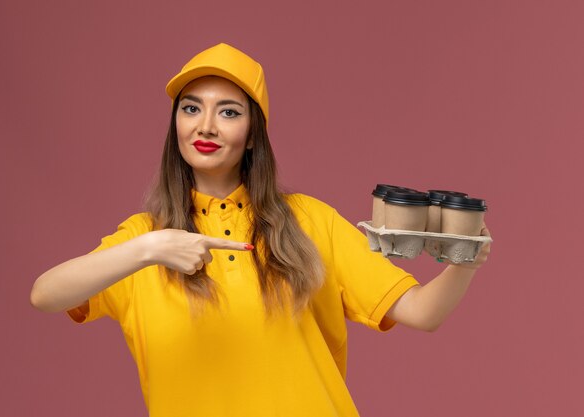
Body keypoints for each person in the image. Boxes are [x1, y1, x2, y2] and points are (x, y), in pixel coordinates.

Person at [30, 43, 491, 417]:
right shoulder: (145, 240)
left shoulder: (309, 221)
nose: (206, 125)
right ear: (176, 125)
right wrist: (149, 248)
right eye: (191, 108)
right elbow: (46, 294)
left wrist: (467, 254)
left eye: (229, 112)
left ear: (253, 133)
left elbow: (423, 313)